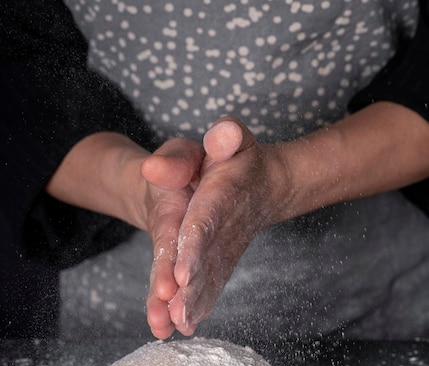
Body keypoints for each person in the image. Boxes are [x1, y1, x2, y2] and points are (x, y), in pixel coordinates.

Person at [1, 0, 429, 340]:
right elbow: (18, 76)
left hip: (379, 302)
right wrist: (144, 189)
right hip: (116, 316)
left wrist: (281, 180)